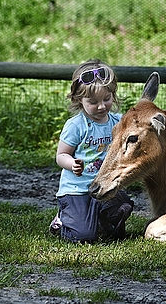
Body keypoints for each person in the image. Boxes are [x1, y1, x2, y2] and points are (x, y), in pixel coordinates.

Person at [49, 59, 134, 243]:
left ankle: (102, 221)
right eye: (93, 102)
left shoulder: (117, 122)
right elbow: (61, 155)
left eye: (107, 99)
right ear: (79, 99)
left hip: (104, 186)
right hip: (76, 190)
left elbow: (140, 125)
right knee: (83, 237)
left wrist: (165, 120)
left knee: (123, 207)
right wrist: (72, 164)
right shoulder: (76, 126)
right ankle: (63, 220)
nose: (102, 106)